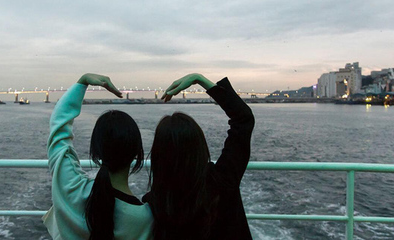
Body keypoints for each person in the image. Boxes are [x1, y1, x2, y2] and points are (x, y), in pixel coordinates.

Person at [144, 73, 255, 240]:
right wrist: (199, 79)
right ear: (200, 146)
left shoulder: (154, 205)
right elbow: (243, 119)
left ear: (159, 156)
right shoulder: (222, 180)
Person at [43, 73, 153, 240]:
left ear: (96, 152)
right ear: (137, 153)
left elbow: (58, 124)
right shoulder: (145, 218)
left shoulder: (72, 187)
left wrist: (83, 81)